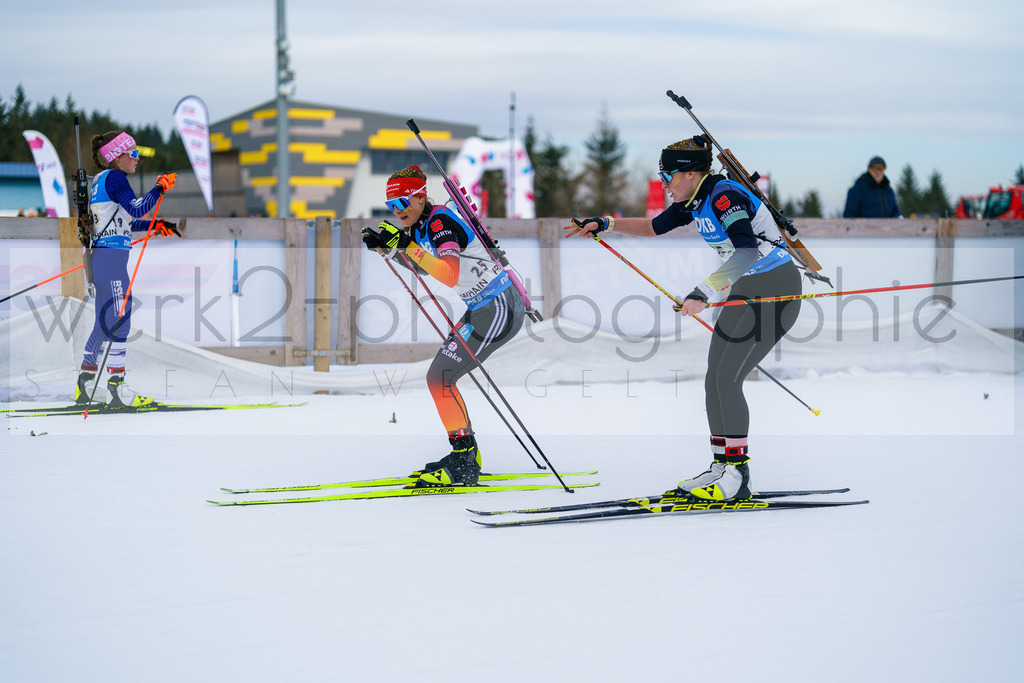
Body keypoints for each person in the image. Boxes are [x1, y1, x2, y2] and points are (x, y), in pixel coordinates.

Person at [564, 136, 803, 501]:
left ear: (692, 173)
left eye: (670, 176)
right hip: (748, 289)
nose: (665, 185)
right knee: (714, 378)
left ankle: (737, 475)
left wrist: (702, 291)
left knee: (727, 377)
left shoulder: (724, 196)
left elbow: (747, 251)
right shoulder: (693, 200)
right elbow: (652, 227)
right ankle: (721, 466)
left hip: (776, 287)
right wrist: (605, 223)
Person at [361, 166, 526, 486]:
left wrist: (405, 246)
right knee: (439, 378)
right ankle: (466, 455)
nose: (398, 212)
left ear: (421, 196)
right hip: (482, 307)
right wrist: (390, 248)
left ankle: (465, 460)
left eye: (403, 203)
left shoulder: (439, 222)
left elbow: (448, 274)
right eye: (391, 207)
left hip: (498, 305)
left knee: (441, 378)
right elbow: (423, 268)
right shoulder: (421, 225)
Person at [74, 130, 180, 408]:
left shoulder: (101, 180)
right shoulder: (117, 178)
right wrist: (159, 188)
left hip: (102, 257)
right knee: (120, 318)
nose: (137, 160)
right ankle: (117, 388)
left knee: (104, 321)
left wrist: (157, 225)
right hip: (110, 259)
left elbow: (124, 222)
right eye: (133, 154)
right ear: (117, 157)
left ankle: (85, 385)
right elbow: (136, 209)